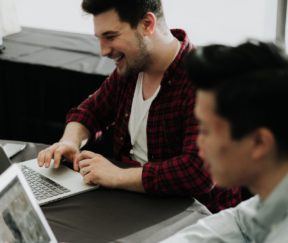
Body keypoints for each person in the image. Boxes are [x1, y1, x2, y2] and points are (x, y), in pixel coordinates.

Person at [37, 0, 241, 213]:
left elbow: (197, 172)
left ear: (147, 24)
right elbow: (89, 112)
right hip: (134, 201)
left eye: (110, 37)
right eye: (99, 39)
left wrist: (117, 175)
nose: (103, 51)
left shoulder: (204, 81)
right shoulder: (131, 68)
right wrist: (70, 141)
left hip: (192, 216)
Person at [161, 41, 288, 242]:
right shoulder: (276, 192)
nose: (198, 144)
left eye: (206, 130)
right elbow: (241, 222)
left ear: (260, 143)